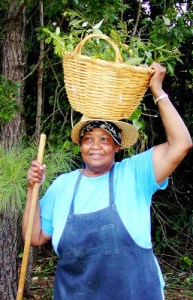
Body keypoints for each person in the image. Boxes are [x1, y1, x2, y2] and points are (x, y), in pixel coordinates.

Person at [22, 62, 192, 300]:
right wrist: (32, 189)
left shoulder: (134, 174)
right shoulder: (62, 185)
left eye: (104, 139)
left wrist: (158, 91)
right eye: (88, 138)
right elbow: (34, 237)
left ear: (116, 146)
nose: (95, 146)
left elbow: (181, 144)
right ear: (80, 146)